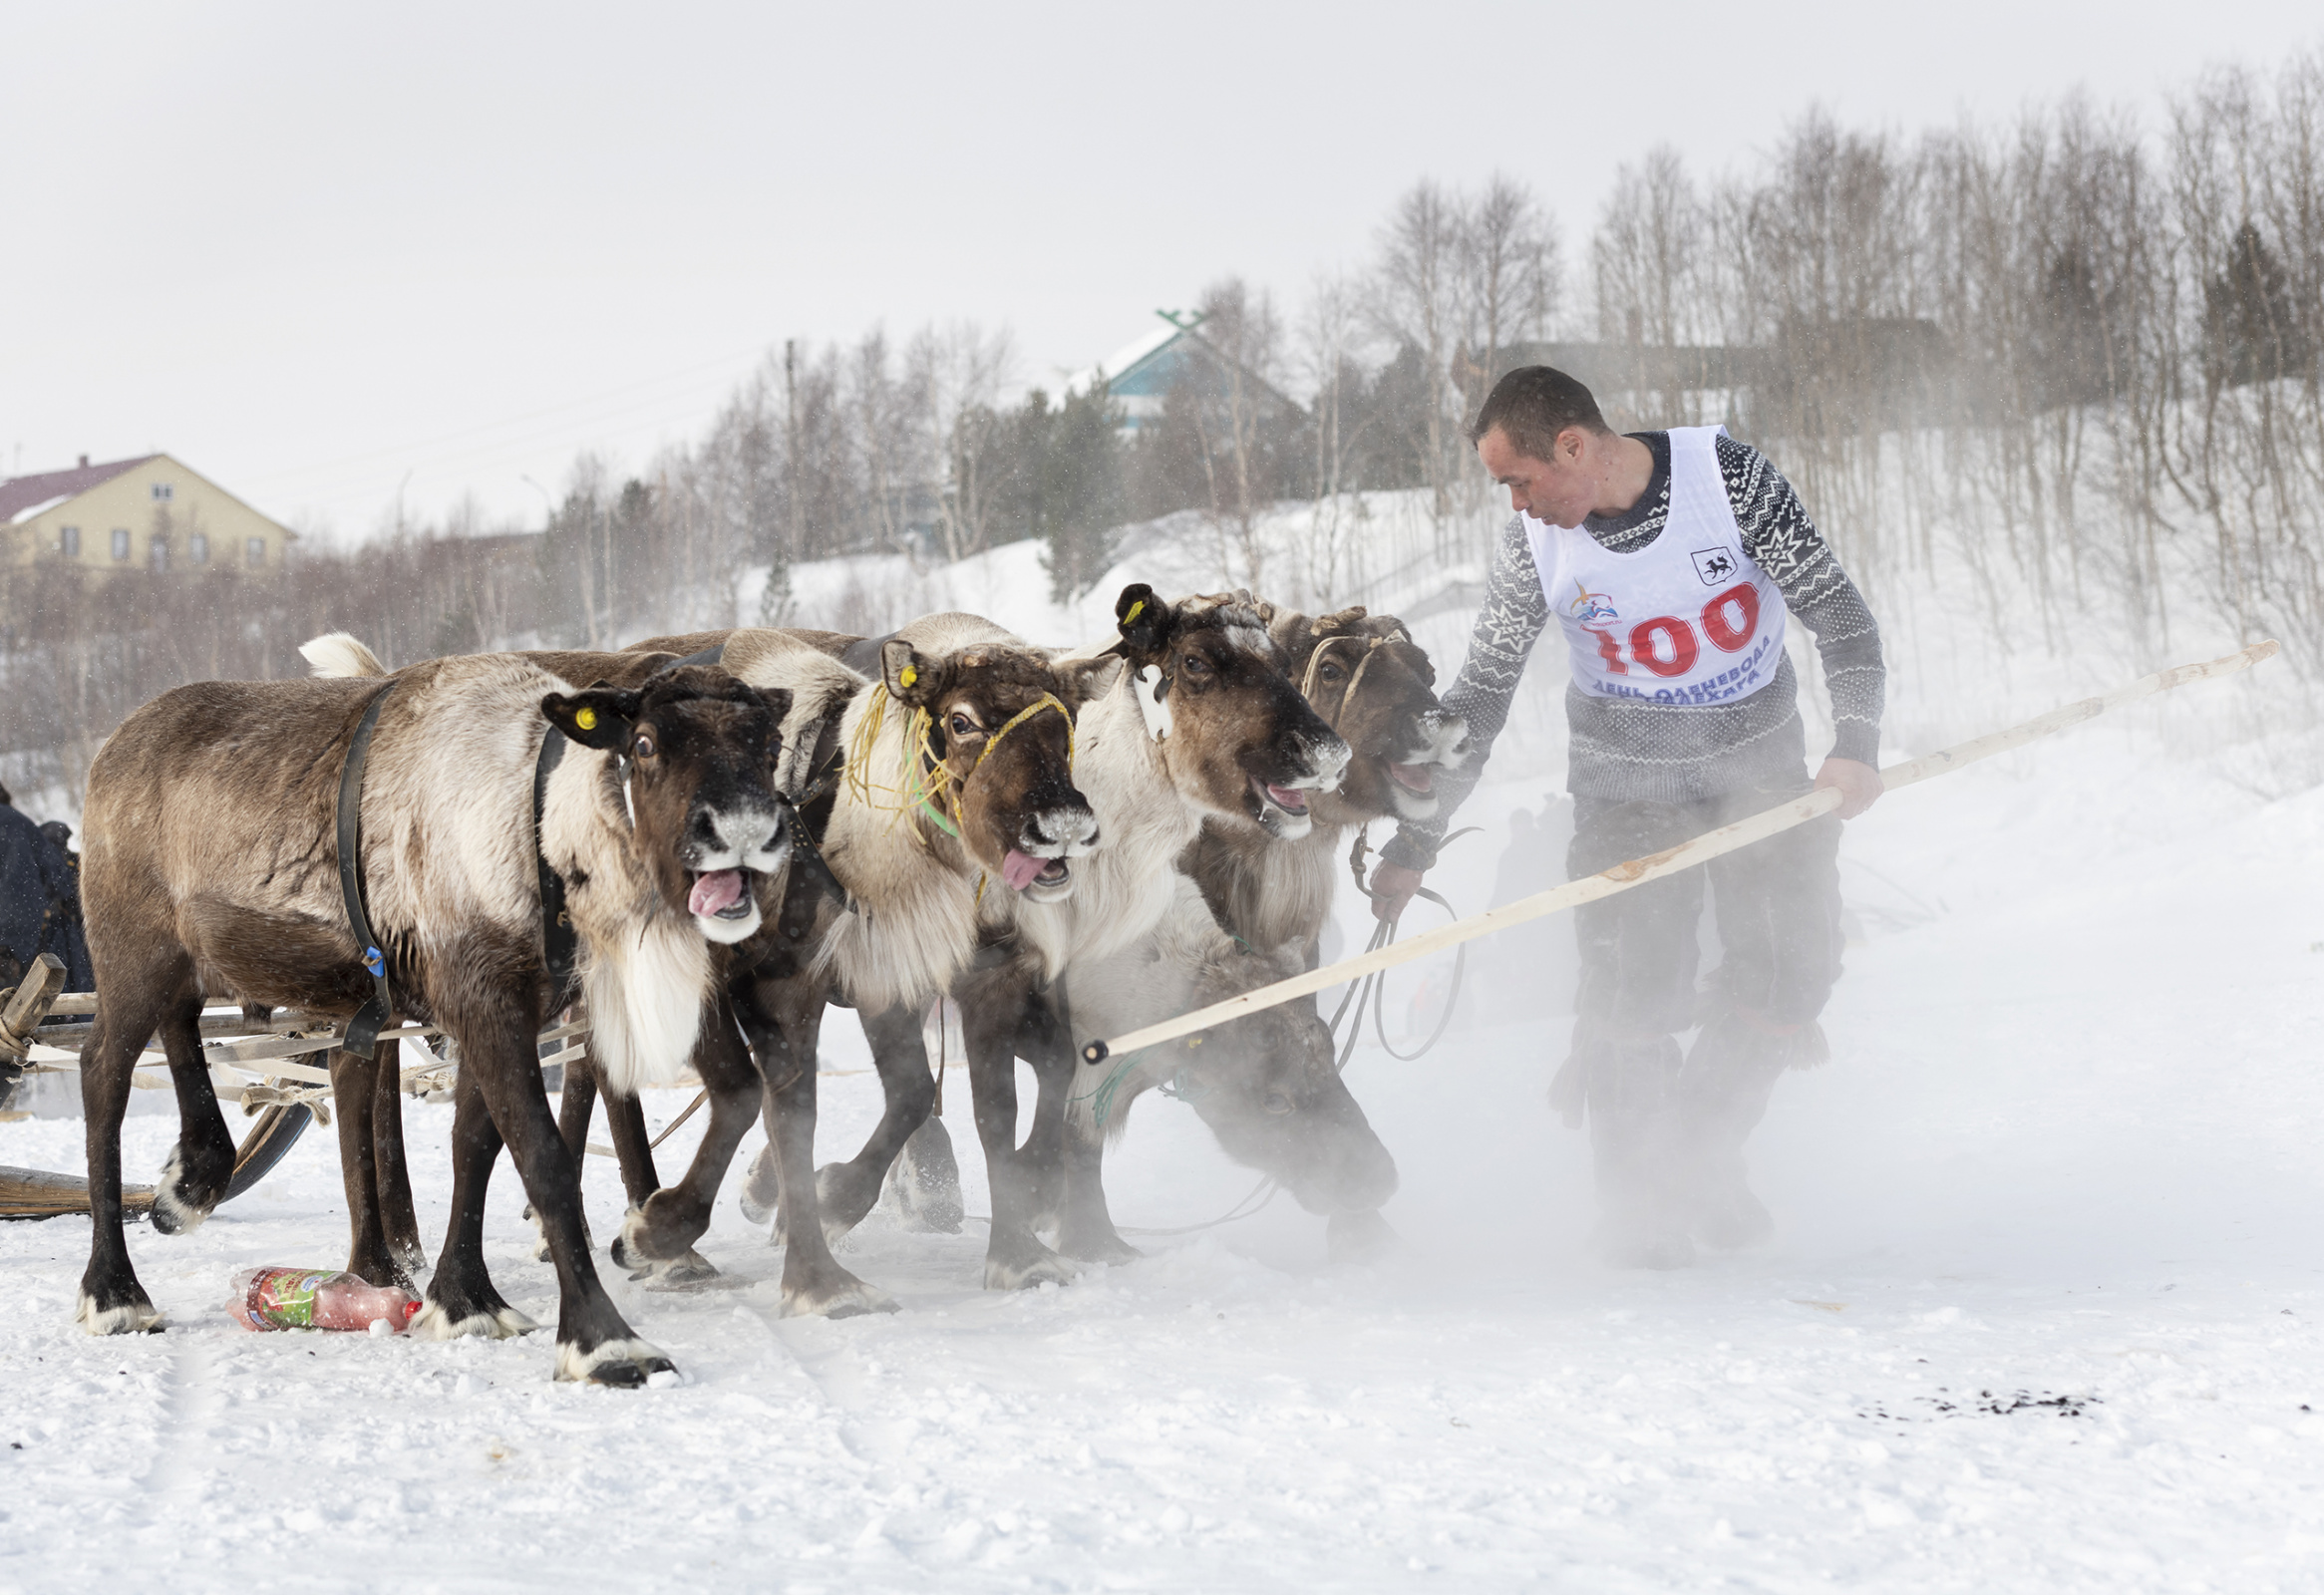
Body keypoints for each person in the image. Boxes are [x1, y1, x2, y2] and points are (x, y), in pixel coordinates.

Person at [1369, 367, 1885, 1267]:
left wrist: (1857, 741)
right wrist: (1416, 841)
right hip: (1623, 789)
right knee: (1632, 989)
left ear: (1574, 446)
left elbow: (1837, 612)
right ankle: (1637, 1201)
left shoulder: (1725, 479)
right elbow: (1482, 695)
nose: (1518, 505)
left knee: (1792, 973)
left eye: (1520, 480)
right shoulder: (1534, 547)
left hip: (1757, 770)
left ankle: (1699, 1157)